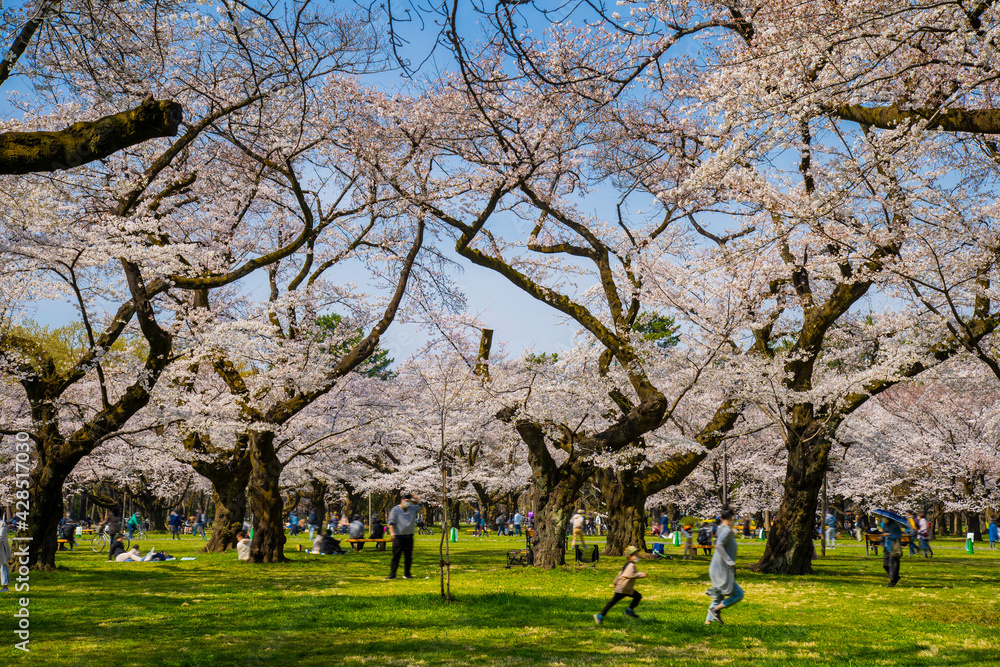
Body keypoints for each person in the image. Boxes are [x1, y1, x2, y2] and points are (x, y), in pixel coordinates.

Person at [705, 506, 744, 625]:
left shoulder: (724, 529)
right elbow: (719, 545)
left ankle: (707, 622)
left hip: (719, 569)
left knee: (719, 596)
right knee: (739, 594)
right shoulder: (726, 530)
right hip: (722, 570)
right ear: (731, 518)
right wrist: (730, 562)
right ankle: (715, 610)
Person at [594, 545, 646, 624]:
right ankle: (600, 616)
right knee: (613, 602)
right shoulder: (631, 565)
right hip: (623, 588)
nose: (637, 556)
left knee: (637, 596)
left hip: (626, 588)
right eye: (635, 555)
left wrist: (615, 581)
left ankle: (628, 611)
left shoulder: (628, 564)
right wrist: (641, 574)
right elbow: (630, 575)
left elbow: (620, 573)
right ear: (629, 556)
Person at [385, 493, 423, 580]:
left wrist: (417, 499)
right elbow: (391, 521)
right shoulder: (395, 510)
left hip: (409, 536)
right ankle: (392, 574)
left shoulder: (412, 508)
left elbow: (421, 506)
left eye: (409, 502)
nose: (407, 503)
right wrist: (392, 532)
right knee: (396, 556)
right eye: (406, 501)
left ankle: (407, 573)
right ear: (402, 500)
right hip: (398, 536)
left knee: (408, 556)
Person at [882, 517, 903, 587]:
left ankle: (893, 581)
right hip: (886, 547)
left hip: (893, 548)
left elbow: (898, 536)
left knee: (893, 565)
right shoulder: (885, 525)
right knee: (885, 565)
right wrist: (882, 537)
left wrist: (889, 534)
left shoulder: (895, 526)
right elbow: (884, 534)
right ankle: (895, 577)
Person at [0, 514, 11, 592]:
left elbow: (1, 536)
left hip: (1, 549)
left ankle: (5, 586)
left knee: (3, 566)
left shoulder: (2, 524)